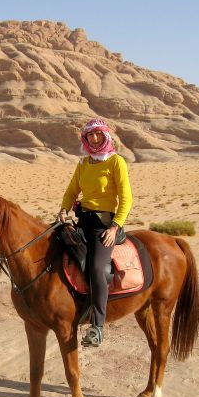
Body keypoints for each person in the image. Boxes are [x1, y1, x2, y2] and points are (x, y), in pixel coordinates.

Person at [57, 117, 132, 347]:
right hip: (83, 221)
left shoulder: (116, 162)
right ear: (85, 138)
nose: (95, 138)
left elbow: (126, 199)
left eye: (98, 134)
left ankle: (97, 326)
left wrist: (114, 227)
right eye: (90, 135)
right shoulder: (83, 164)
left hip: (104, 226)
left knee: (98, 267)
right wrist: (63, 209)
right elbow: (72, 191)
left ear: (106, 135)